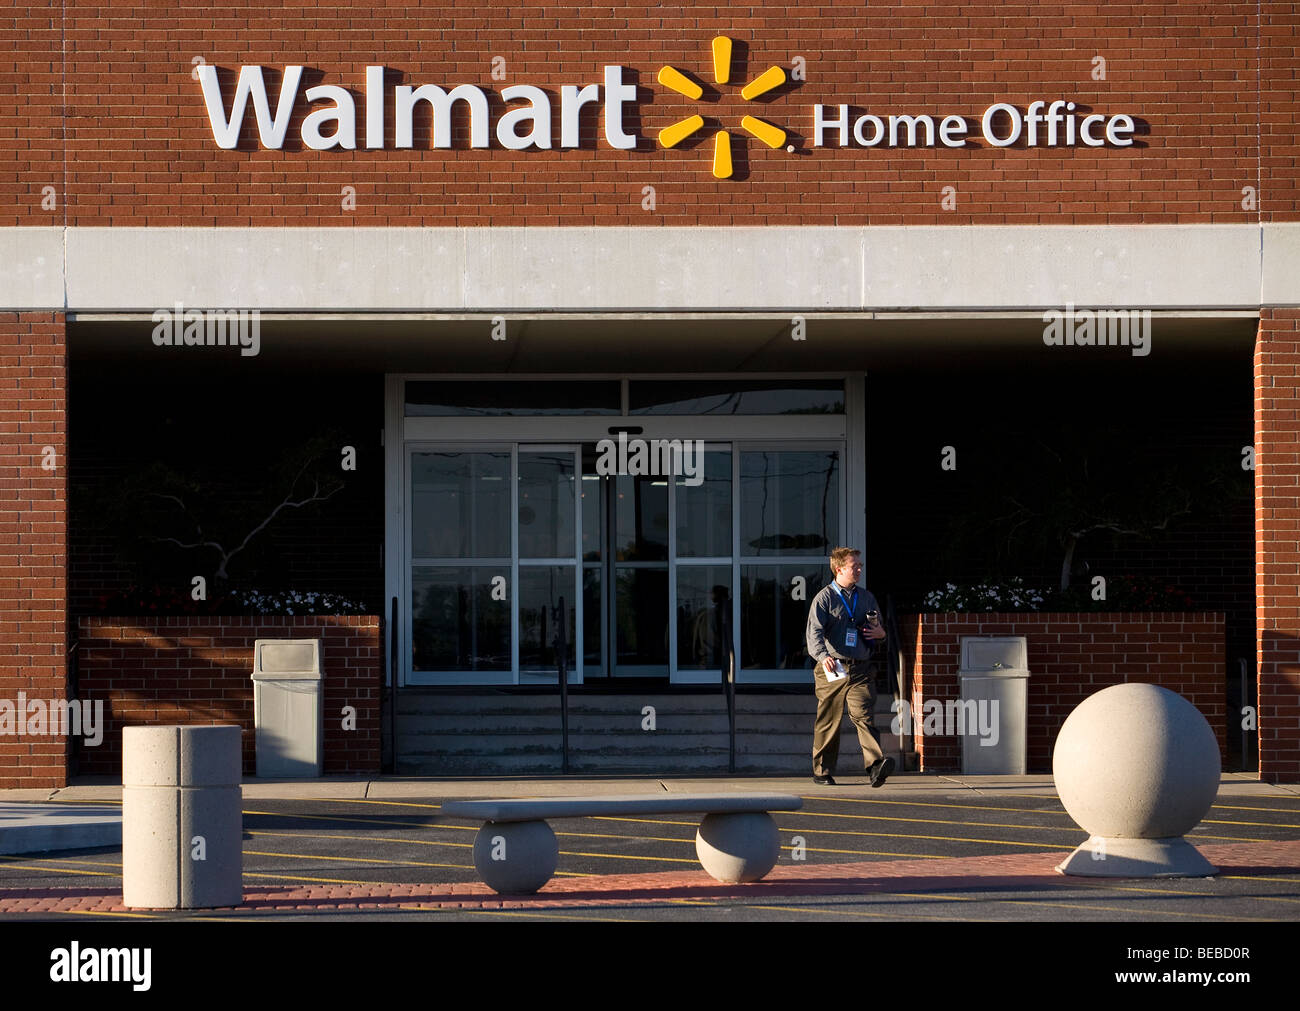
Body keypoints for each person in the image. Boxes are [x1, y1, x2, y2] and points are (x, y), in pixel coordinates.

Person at [804, 546, 895, 788]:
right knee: (829, 720)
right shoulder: (824, 598)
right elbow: (814, 632)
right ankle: (822, 771)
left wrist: (881, 633)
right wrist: (823, 657)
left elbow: (879, 631)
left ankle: (876, 766)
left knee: (864, 716)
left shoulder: (866, 597)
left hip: (860, 668)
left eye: (860, 565)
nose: (859, 569)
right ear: (839, 568)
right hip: (833, 666)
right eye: (855, 565)